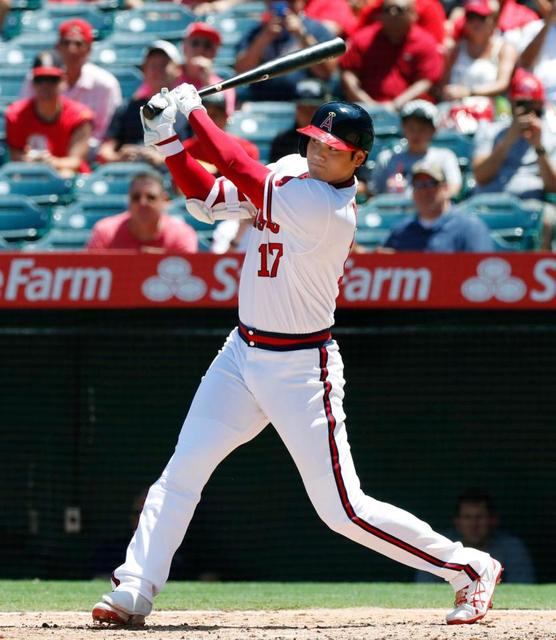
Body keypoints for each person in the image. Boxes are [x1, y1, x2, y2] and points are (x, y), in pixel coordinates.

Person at [90, 84, 502, 628]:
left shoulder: (328, 208)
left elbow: (234, 160)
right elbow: (207, 200)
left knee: (343, 510)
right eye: (316, 138)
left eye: (332, 146)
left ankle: (468, 567)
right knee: (180, 472)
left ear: (357, 159)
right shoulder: (293, 170)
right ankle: (134, 589)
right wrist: (168, 141)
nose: (318, 149)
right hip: (241, 354)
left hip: (301, 368)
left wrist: (194, 113)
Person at [472, 68, 556, 248]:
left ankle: (537, 273)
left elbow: (553, 187)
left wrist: (538, 146)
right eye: (520, 104)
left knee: (548, 220)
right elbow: (480, 176)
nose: (525, 110)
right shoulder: (490, 130)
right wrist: (508, 139)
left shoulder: (550, 135)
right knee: (459, 220)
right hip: (487, 202)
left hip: (530, 206)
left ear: (540, 105)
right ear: (510, 103)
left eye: (531, 104)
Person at [21, 19, 122, 152]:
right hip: (43, 152)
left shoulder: (106, 84)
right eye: (66, 43)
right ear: (58, 47)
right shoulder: (38, 78)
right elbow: (24, 120)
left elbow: (106, 134)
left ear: (89, 49)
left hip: (90, 157)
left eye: (78, 43)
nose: (71, 49)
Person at [339, 0, 444, 111]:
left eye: (399, 10)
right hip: (364, 108)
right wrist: (368, 104)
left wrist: (395, 105)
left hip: (409, 111)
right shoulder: (364, 39)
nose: (392, 14)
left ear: (413, 15)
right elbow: (348, 74)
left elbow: (426, 81)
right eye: (387, 10)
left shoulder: (424, 43)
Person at [416, 489, 536, 583]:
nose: (473, 524)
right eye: (467, 518)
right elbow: (424, 587)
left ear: (492, 520)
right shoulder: (441, 545)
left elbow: (523, 586)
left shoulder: (511, 547)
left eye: (480, 517)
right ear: (457, 522)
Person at [6, 51, 94, 177]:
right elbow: (15, 156)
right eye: (40, 79)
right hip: (30, 175)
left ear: (63, 80)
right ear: (32, 82)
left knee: (66, 174)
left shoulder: (80, 115)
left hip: (71, 180)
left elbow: (75, 161)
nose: (45, 85)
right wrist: (30, 160)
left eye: (52, 80)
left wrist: (50, 162)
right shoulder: (16, 114)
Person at [97, 40, 183, 166]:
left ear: (177, 70)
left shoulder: (185, 109)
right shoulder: (127, 108)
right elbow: (105, 150)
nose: (158, 70)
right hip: (129, 173)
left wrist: (162, 159)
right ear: (144, 70)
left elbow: (192, 152)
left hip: (169, 176)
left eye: (164, 64)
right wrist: (119, 157)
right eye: (153, 65)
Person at [235, 0, 336, 101]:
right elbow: (242, 73)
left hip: (305, 105)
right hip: (264, 101)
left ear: (301, 2)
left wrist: (301, 35)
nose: (284, 6)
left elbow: (326, 72)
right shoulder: (256, 32)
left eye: (290, 1)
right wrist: (264, 38)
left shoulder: (316, 29)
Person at [382, 160, 494, 251]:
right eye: (418, 185)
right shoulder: (401, 231)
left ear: (445, 188)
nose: (424, 191)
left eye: (431, 184)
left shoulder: (469, 227)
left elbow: (481, 269)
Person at [86, 171, 198, 252]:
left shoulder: (181, 234)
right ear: (129, 201)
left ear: (165, 201)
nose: (142, 203)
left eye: (151, 197)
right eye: (136, 197)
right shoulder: (105, 231)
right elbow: (92, 270)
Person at [370, 100, 462, 198]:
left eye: (422, 129)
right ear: (403, 129)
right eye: (411, 128)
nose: (416, 134)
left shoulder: (445, 156)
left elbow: (454, 188)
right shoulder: (387, 158)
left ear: (433, 130)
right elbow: (373, 192)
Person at [438, 0, 517, 104]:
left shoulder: (505, 48)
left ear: (493, 20)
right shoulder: (455, 50)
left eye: (481, 18)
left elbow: (502, 83)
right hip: (455, 111)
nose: (476, 23)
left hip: (490, 114)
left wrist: (469, 92)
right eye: (471, 17)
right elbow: (443, 86)